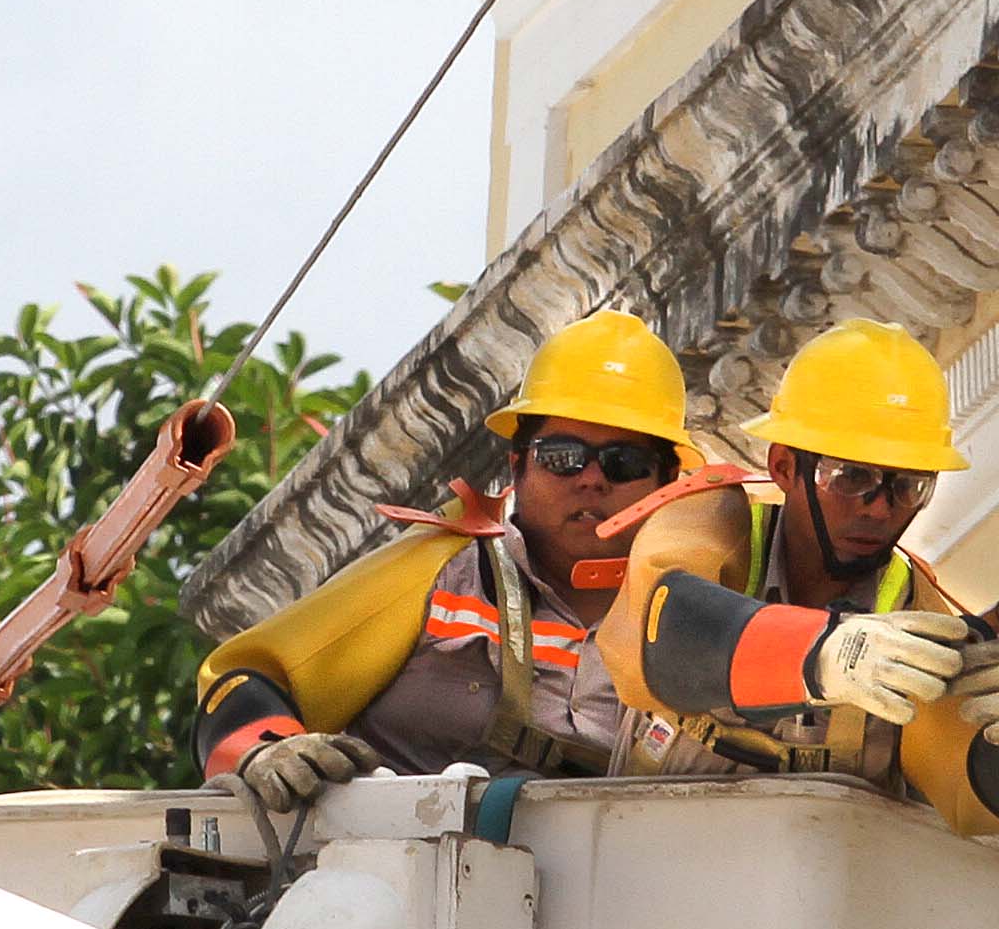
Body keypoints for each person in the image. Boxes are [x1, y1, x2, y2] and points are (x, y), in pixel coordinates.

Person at [597, 318, 999, 838]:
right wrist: (822, 655)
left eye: (908, 486)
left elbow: (980, 795)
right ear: (785, 467)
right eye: (850, 477)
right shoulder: (711, 525)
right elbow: (661, 633)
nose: (879, 508)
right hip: (643, 870)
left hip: (810, 903)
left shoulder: (919, 614)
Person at [190, 310, 691, 810]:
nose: (591, 479)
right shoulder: (442, 569)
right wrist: (265, 751)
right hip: (393, 870)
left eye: (626, 462)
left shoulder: (692, 608)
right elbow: (249, 677)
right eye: (562, 456)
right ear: (517, 466)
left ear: (666, 483)